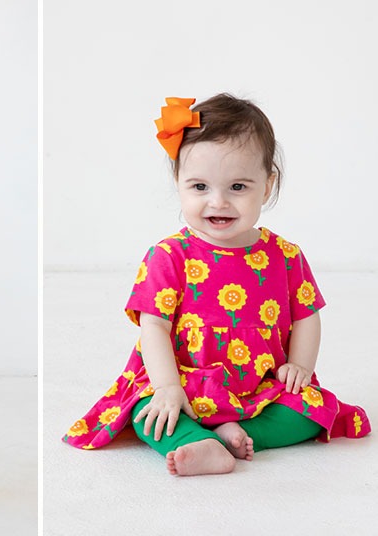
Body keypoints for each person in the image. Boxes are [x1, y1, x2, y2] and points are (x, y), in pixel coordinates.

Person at [64, 94, 370, 475]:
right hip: (185, 380)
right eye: (200, 187)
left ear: (268, 184)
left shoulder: (285, 256)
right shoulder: (169, 256)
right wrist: (167, 387)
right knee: (146, 411)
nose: (218, 202)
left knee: (313, 411)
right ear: (178, 182)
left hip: (260, 386)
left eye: (238, 187)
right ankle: (193, 440)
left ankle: (236, 432)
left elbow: (307, 315)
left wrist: (299, 366)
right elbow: (153, 326)